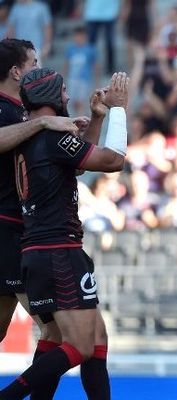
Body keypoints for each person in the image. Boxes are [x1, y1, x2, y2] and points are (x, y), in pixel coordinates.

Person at [0, 67, 129, 400]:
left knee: (85, 337)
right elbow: (113, 161)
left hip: (40, 251)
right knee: (82, 345)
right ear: (53, 97)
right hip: (58, 250)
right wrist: (119, 109)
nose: (69, 98)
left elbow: (77, 163)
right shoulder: (51, 136)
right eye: (64, 92)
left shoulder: (32, 136)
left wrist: (97, 119)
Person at [0, 38, 91, 400]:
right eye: (33, 62)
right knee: (57, 334)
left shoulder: (25, 112)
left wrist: (93, 119)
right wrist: (42, 124)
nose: (38, 68)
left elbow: (80, 164)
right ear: (16, 71)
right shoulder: (11, 112)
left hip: (21, 231)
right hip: (11, 231)